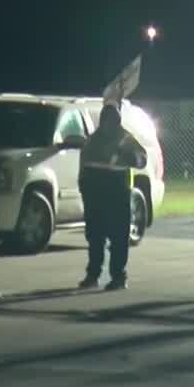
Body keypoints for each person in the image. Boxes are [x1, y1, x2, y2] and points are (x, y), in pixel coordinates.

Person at [79, 103, 146, 291]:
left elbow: (142, 158)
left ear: (117, 121)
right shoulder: (93, 140)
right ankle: (93, 274)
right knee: (95, 236)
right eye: (106, 119)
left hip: (117, 190)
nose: (108, 124)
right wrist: (84, 188)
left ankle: (118, 276)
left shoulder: (125, 139)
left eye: (112, 120)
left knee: (118, 236)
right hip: (95, 191)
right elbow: (84, 165)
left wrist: (131, 157)